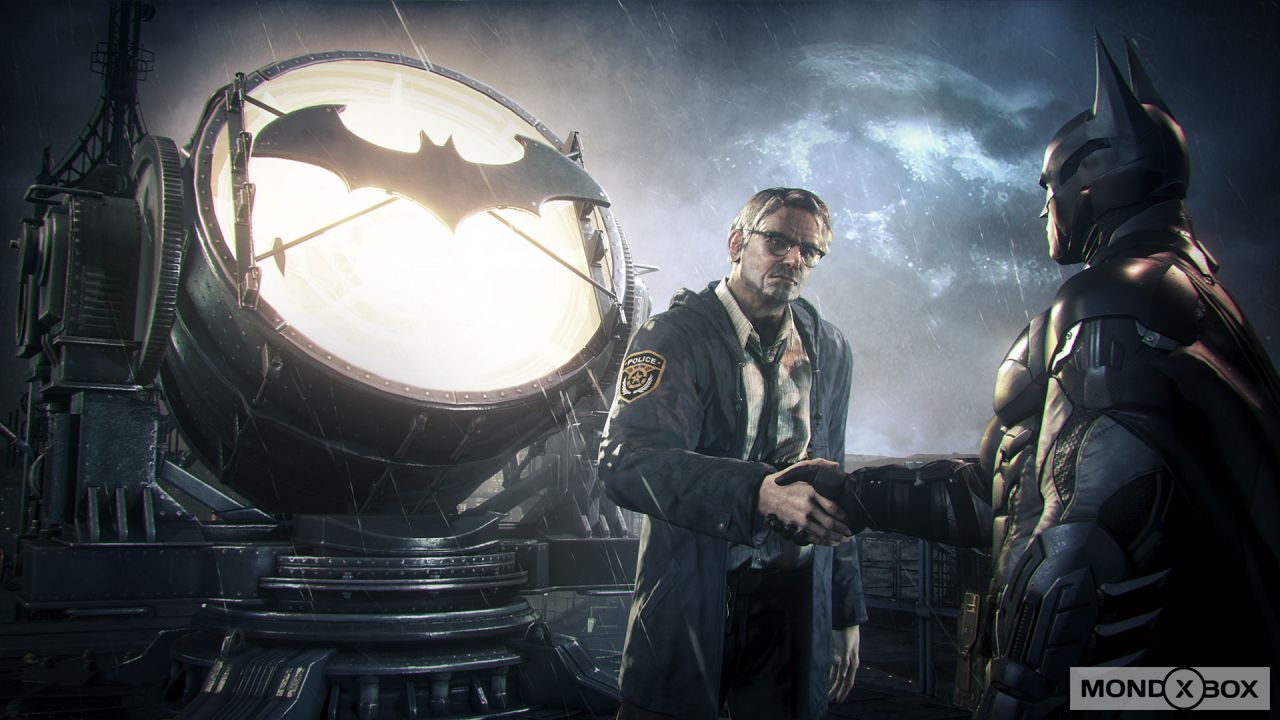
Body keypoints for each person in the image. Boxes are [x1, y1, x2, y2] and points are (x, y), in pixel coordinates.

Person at [798, 36, 1280, 717]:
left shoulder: (1117, 304)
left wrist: (1017, 698)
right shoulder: (1182, 299)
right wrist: (858, 495)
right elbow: (1012, 491)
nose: (1044, 208)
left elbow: (1077, 551)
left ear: (1091, 182)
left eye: (1048, 187)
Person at [598, 188, 867, 720]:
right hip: (692, 596)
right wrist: (757, 494)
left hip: (792, 608)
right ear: (736, 243)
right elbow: (625, 462)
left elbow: (834, 481)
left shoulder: (828, 348)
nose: (794, 260)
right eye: (778, 242)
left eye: (810, 251)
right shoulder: (671, 337)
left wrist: (843, 609)